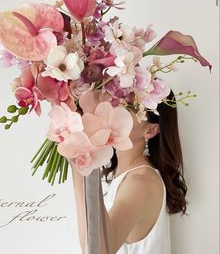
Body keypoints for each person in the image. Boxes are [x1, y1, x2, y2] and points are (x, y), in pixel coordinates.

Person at [69, 89, 188, 254]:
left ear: (150, 130)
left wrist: (82, 166)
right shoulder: (125, 176)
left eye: (129, 108)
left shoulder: (140, 183)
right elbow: (90, 243)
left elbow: (97, 250)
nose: (114, 110)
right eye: (116, 102)